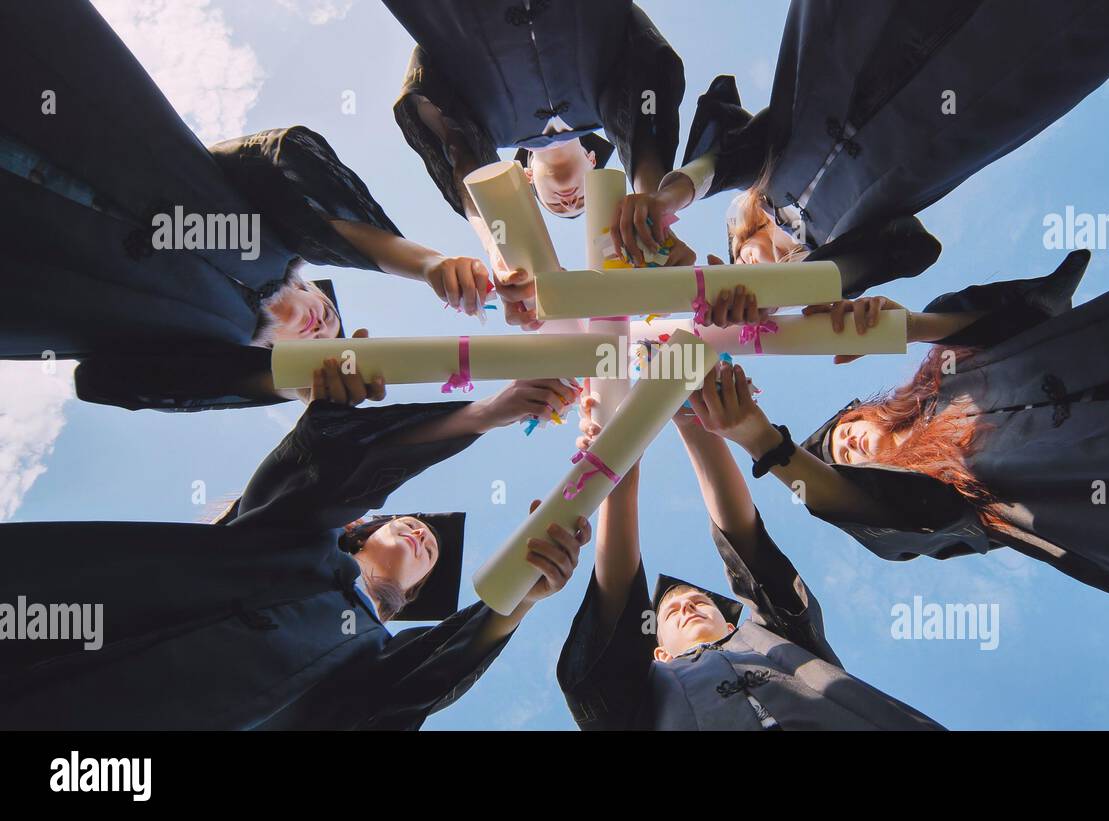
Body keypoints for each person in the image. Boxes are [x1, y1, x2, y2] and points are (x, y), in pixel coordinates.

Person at [695, 193, 1109, 633]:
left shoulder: (948, 376)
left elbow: (1025, 318)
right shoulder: (955, 503)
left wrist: (900, 327)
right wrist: (763, 440)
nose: (846, 447)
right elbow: (863, 506)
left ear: (874, 411)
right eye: (841, 460)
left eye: (845, 433)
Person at [0, 362, 589, 729]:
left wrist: (519, 596)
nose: (421, 532)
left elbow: (426, 681)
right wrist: (486, 413)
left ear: (411, 598)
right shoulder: (287, 542)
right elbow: (321, 477)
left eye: (431, 551)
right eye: (408, 523)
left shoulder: (369, 662)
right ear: (358, 527)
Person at [0, 2, 485, 411]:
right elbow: (285, 170)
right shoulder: (265, 239)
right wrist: (428, 265)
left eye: (316, 348)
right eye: (332, 320)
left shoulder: (213, 344)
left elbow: (108, 381)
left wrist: (293, 382)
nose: (323, 329)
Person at [616, 0, 1109, 300]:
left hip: (858, 43)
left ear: (741, 235)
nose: (752, 267)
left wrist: (665, 198)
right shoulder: (843, 248)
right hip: (972, 86)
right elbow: (914, 249)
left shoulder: (763, 168)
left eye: (741, 258)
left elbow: (726, 157)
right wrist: (810, 289)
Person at [556, 367, 943, 730]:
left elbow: (747, 546)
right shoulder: (641, 696)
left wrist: (695, 420)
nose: (687, 606)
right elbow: (615, 610)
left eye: (696, 602)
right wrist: (620, 466)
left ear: (730, 624)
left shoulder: (779, 639)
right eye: (672, 612)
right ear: (660, 654)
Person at [386, 0, 686, 318]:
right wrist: (653, 212)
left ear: (527, 176)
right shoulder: (610, 94)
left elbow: (462, 156)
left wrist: (499, 250)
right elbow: (644, 117)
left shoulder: (484, 125)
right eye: (583, 200)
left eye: (556, 206)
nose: (570, 202)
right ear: (592, 158)